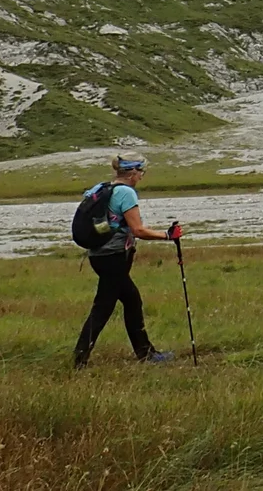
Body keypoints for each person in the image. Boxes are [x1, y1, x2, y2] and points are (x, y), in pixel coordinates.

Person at [73, 152, 183, 367]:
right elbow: (138, 229)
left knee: (131, 300)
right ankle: (80, 357)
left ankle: (145, 353)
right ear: (133, 172)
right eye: (141, 172)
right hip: (114, 257)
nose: (142, 176)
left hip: (99, 254)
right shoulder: (126, 193)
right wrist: (167, 235)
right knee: (103, 307)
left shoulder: (100, 188)